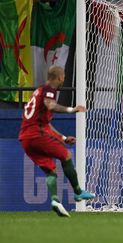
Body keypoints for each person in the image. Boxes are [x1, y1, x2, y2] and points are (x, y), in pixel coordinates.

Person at [19, 66, 95, 217]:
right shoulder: (49, 89)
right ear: (60, 77)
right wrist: (72, 110)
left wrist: (64, 138)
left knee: (50, 169)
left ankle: (55, 201)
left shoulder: (38, 91)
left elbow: (46, 125)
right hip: (36, 134)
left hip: (25, 138)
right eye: (64, 77)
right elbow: (51, 105)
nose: (64, 79)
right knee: (66, 155)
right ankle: (78, 192)